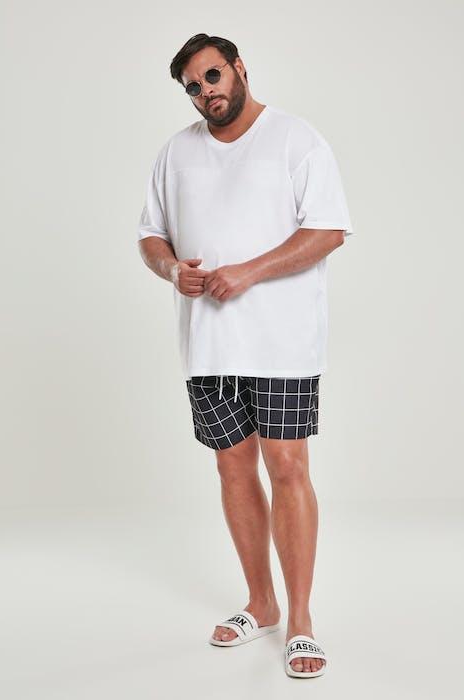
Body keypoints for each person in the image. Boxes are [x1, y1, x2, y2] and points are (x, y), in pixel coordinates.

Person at [137, 33, 355, 678]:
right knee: (233, 469)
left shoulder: (296, 139)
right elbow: (150, 234)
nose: (205, 92)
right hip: (208, 344)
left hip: (283, 342)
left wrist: (249, 272)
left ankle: (301, 621)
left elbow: (329, 230)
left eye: (212, 76)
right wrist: (172, 270)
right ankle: (261, 604)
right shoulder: (176, 152)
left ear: (238, 68)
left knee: (287, 466)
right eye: (193, 87)